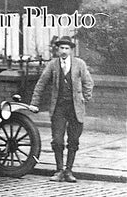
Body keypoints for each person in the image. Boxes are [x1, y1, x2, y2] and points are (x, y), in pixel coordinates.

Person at [29, 36, 93, 183]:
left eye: (66, 48)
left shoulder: (79, 64)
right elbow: (41, 83)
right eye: (61, 48)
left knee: (73, 141)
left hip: (75, 108)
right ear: (57, 50)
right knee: (57, 140)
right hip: (59, 108)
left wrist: (85, 98)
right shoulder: (53, 65)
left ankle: (69, 171)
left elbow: (88, 82)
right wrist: (34, 102)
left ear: (71, 50)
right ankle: (59, 170)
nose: (64, 51)